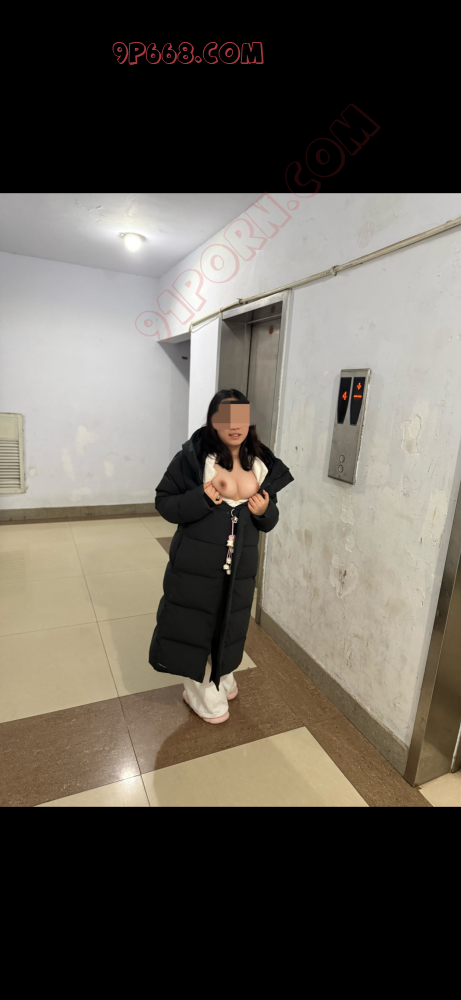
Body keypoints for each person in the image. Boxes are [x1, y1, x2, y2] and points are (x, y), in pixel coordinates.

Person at [149, 389, 294, 723]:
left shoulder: (261, 463)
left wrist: (264, 511)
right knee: (195, 624)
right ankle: (198, 691)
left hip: (240, 566)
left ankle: (222, 674)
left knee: (231, 622)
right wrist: (200, 498)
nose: (234, 426)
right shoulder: (194, 459)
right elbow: (164, 501)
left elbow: (270, 519)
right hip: (196, 565)